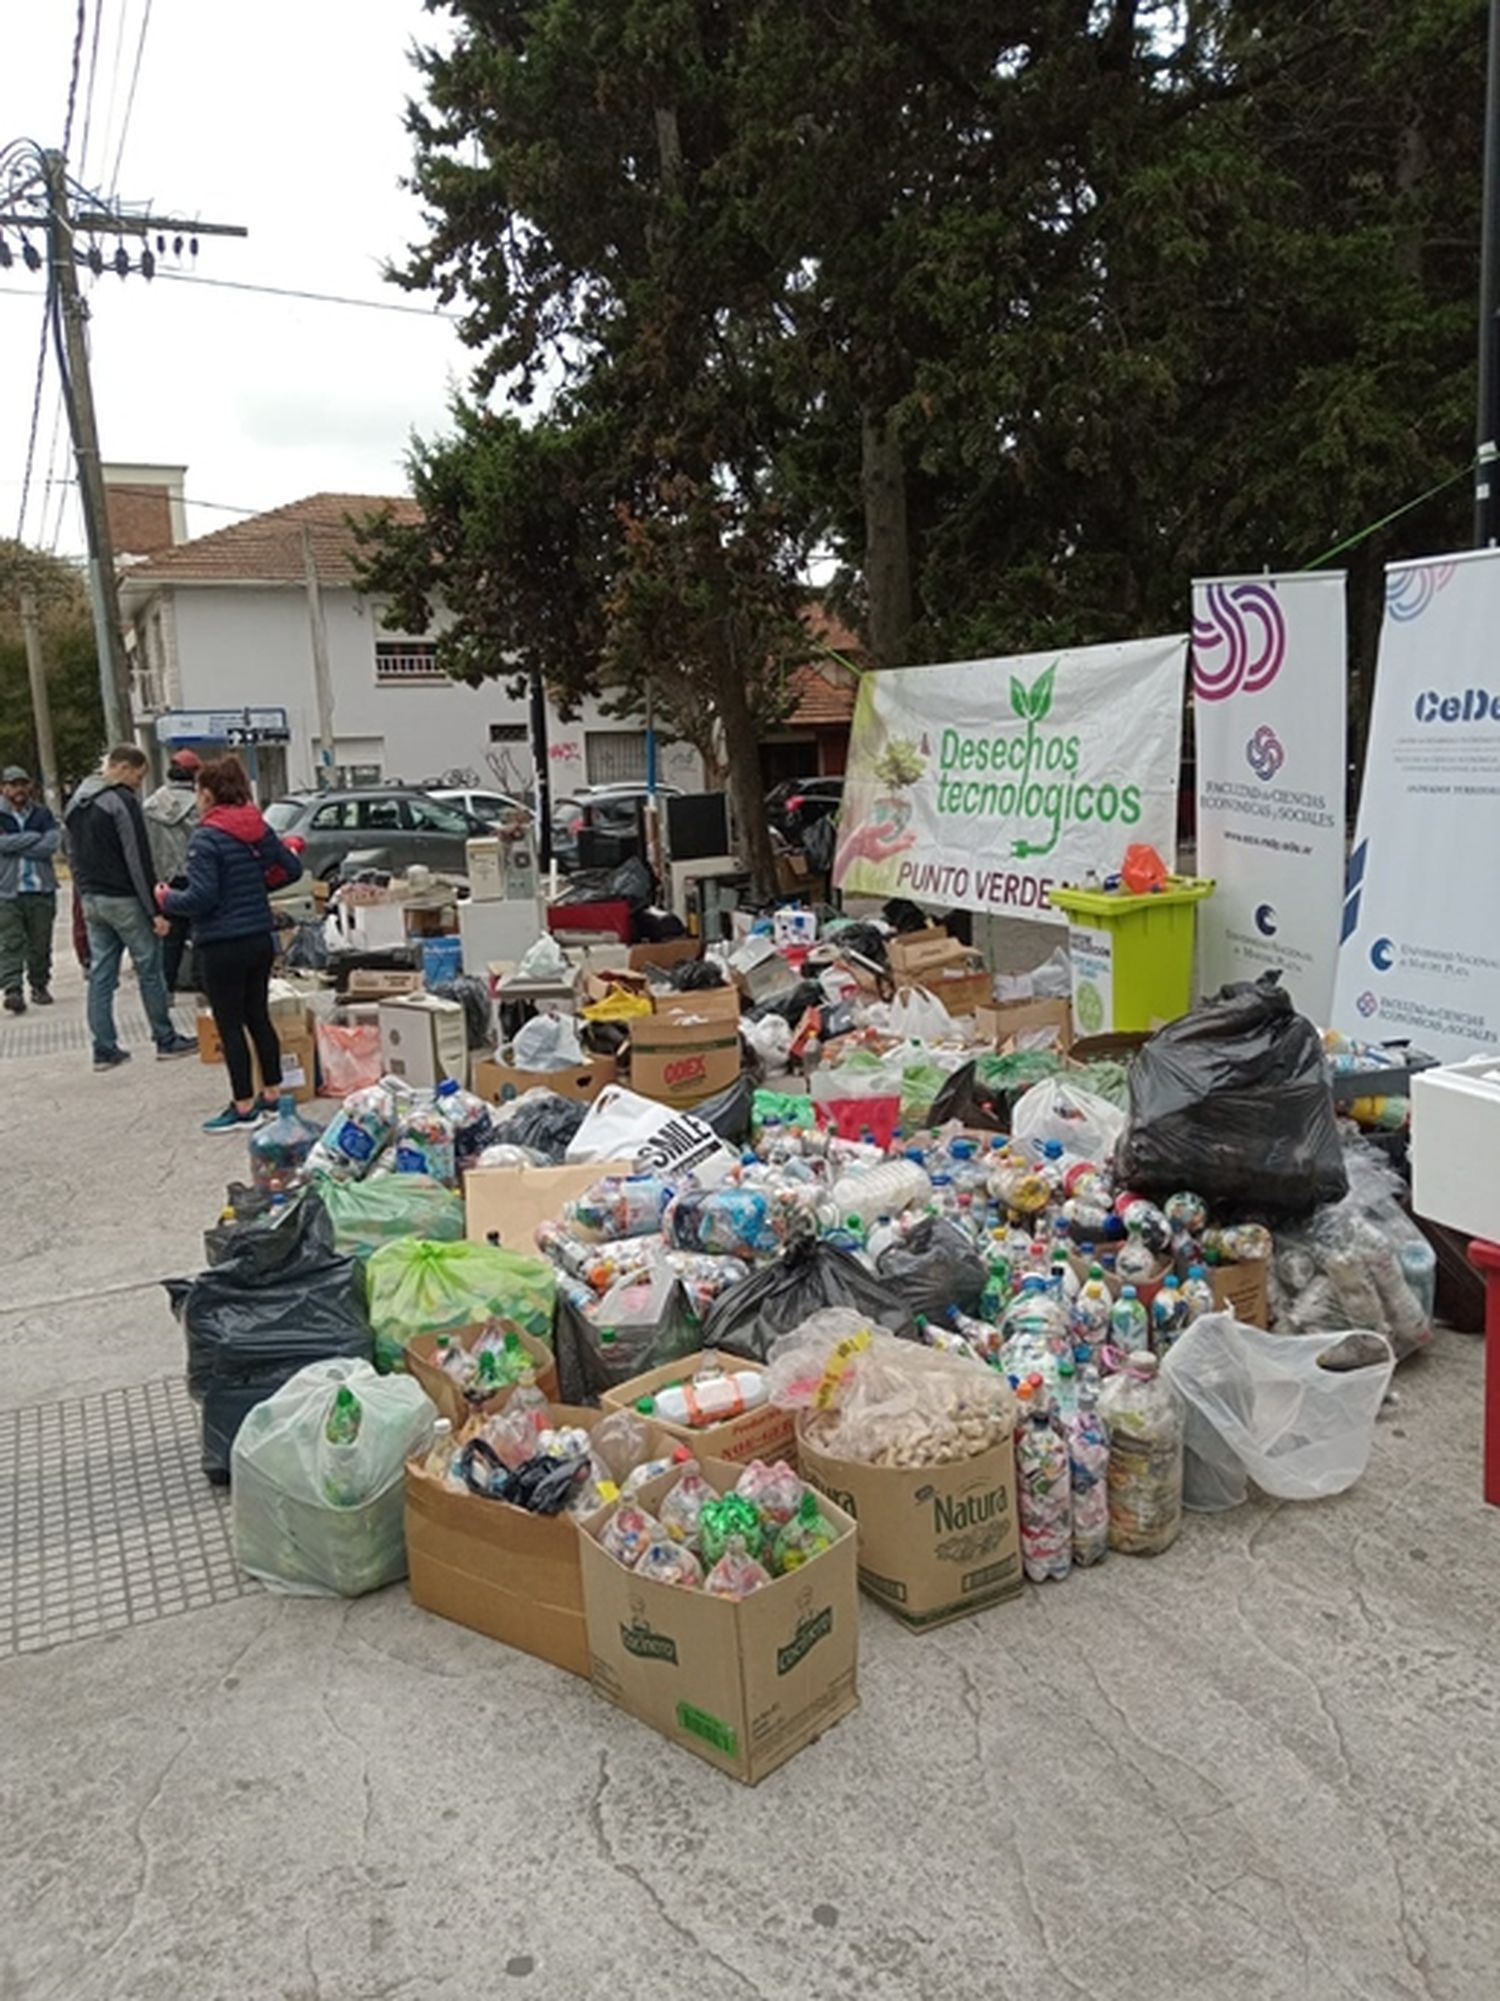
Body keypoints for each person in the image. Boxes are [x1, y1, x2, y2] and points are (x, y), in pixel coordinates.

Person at [159, 754, 303, 1132]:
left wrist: (166, 899)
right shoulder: (257, 826)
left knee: (230, 1023)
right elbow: (291, 869)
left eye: (198, 790)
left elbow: (202, 897)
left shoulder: (207, 837)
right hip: (259, 937)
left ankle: (242, 1106)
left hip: (221, 942)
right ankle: (272, 1095)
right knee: (258, 1016)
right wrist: (257, 888)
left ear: (208, 793)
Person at [65, 744, 198, 1072]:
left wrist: (84, 895)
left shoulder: (76, 803)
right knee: (149, 970)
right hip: (124, 900)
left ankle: (104, 1049)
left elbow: (70, 854)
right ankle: (165, 1039)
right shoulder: (121, 801)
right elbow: (137, 859)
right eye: (139, 776)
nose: (139, 784)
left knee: (101, 974)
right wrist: (155, 910)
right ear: (124, 768)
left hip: (92, 900)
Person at [0, 766, 60, 1013]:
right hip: (7, 891)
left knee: (40, 942)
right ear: (3, 788)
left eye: (23, 784)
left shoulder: (42, 814)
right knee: (10, 942)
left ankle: (39, 984)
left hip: (40, 889)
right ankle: (12, 989)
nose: (19, 790)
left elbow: (51, 844)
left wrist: (13, 845)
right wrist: (32, 838)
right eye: (13, 785)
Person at [142, 749, 202, 992]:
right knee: (201, 934)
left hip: (164, 880)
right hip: (196, 876)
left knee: (170, 939)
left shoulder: (150, 805)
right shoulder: (200, 805)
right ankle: (203, 987)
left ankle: (165, 992)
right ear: (194, 774)